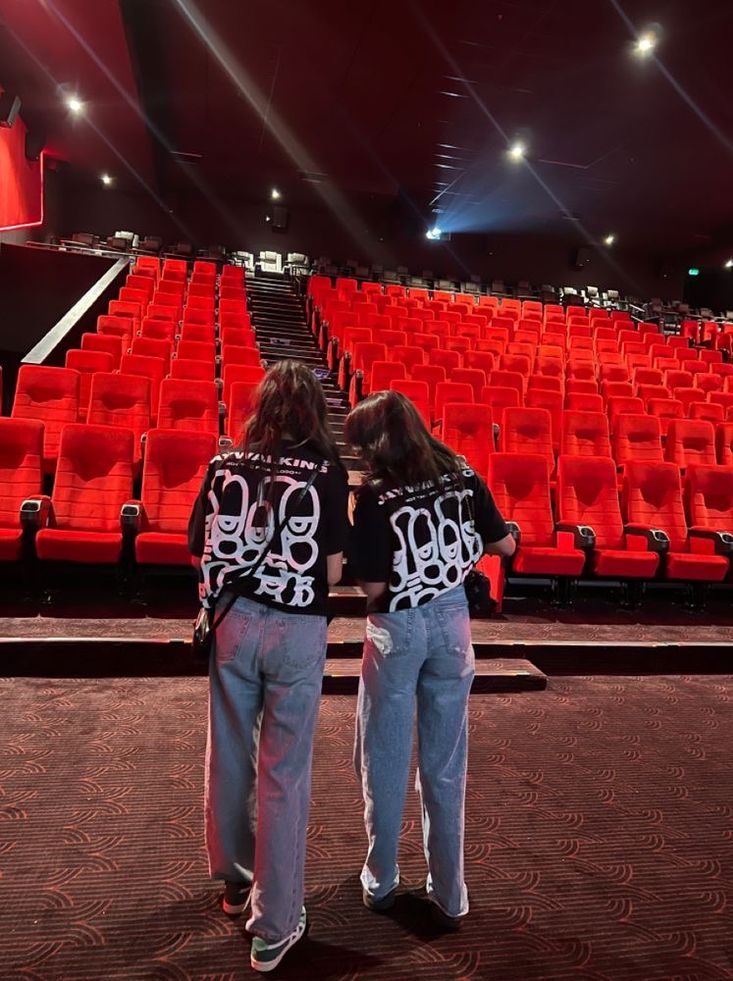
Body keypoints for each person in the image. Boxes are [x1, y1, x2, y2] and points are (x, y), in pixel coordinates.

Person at [188, 360, 349, 973]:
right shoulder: (329, 473)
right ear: (314, 412)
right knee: (285, 774)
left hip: (234, 622)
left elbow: (194, 543)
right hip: (297, 628)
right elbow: (332, 572)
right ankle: (275, 924)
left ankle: (234, 881)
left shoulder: (224, 463)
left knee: (228, 751)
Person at [345, 390, 515, 929]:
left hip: (398, 625)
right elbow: (503, 546)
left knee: (385, 758)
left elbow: (372, 584)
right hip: (452, 622)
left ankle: (383, 879)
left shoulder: (374, 495)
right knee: (446, 766)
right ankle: (449, 892)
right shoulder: (462, 474)